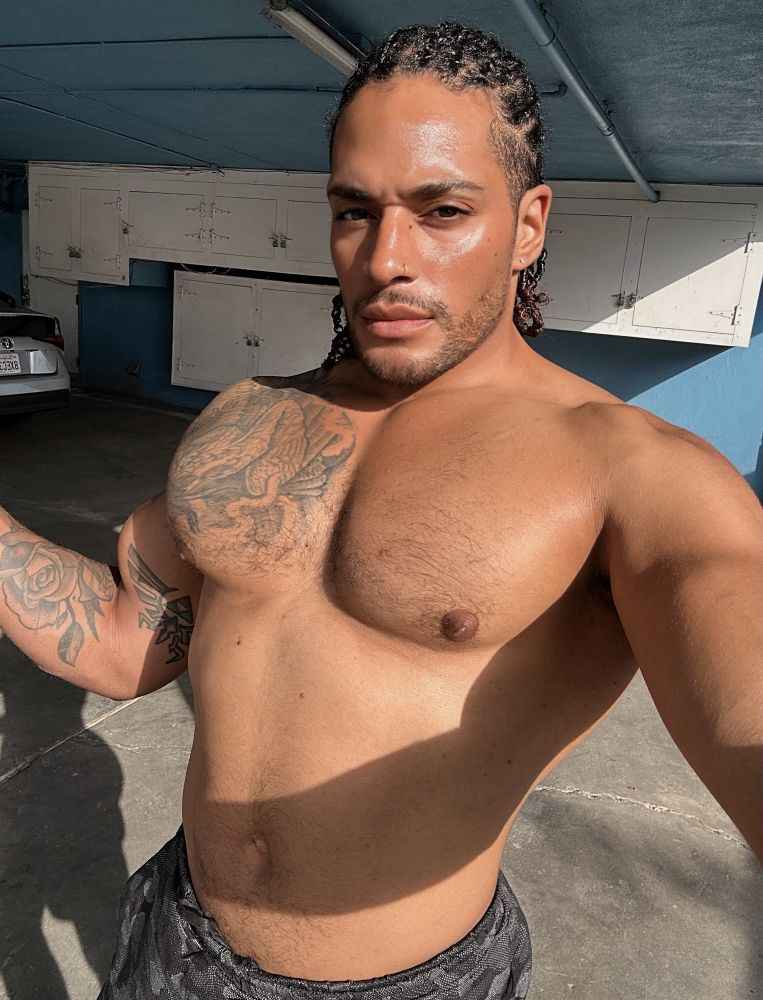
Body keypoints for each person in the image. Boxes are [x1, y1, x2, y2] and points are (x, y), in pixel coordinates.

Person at [1, 20, 761, 1000]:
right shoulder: (248, 420)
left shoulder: (630, 473)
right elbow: (119, 641)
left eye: (441, 210)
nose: (385, 257)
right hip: (174, 939)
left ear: (528, 224)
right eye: (355, 212)